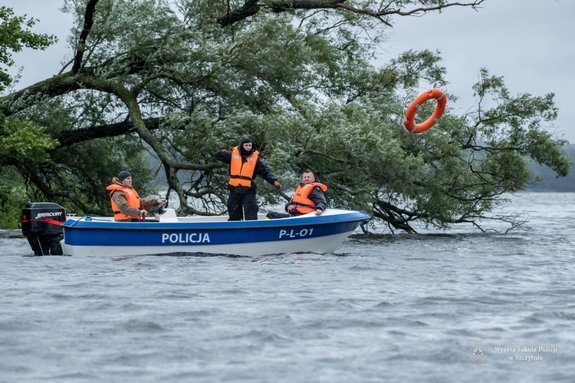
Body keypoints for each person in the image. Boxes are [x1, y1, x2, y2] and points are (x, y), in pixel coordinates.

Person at [215, 137, 281, 220]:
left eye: (250, 145)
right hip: (234, 188)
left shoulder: (256, 158)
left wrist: (274, 181)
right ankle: (235, 227)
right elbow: (217, 156)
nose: (248, 147)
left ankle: (252, 227)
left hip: (248, 189)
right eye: (246, 145)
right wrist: (221, 153)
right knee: (233, 208)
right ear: (242, 146)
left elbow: (265, 171)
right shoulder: (232, 155)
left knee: (250, 209)